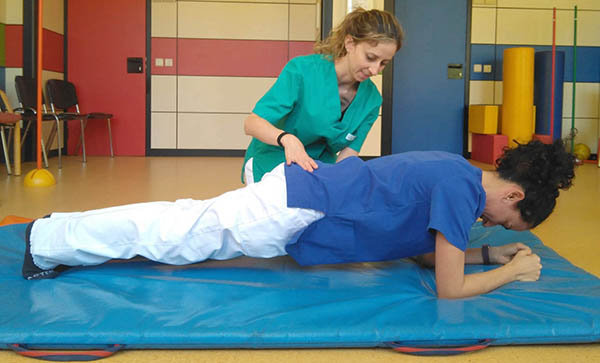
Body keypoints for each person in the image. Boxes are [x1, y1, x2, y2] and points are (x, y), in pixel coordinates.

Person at [22, 140, 575, 299]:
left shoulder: (456, 169)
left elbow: (427, 254)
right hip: (294, 206)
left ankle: (55, 233)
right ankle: (47, 239)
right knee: (174, 236)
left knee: (179, 226)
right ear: (514, 194)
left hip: (299, 201)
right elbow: (449, 290)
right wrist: (512, 272)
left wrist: (488, 254)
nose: (491, 226)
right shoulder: (462, 191)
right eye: (505, 224)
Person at [242, 8, 403, 183]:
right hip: (272, 161)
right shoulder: (303, 71)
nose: (375, 70)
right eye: (370, 57)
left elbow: (349, 153)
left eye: (383, 63)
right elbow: (252, 124)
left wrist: (338, 183)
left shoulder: (372, 99)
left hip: (318, 169)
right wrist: (287, 139)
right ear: (350, 43)